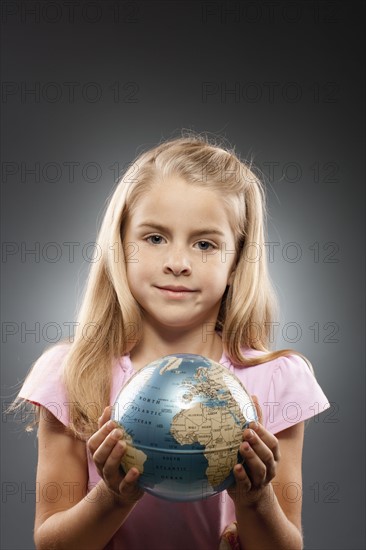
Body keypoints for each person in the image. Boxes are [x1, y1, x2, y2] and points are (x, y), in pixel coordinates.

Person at [16, 133, 329, 550]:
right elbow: (51, 544)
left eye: (205, 244)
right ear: (120, 247)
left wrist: (255, 500)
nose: (177, 263)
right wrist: (112, 497)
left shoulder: (277, 380)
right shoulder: (72, 373)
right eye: (155, 237)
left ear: (237, 261)